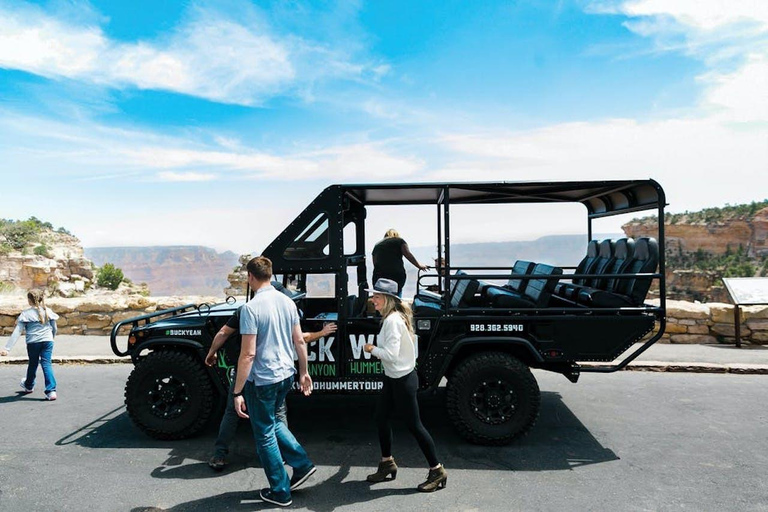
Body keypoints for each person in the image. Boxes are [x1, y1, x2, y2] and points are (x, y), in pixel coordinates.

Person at [205, 299, 336, 472]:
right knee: (277, 416)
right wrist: (321, 334)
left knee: (232, 412)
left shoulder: (246, 309)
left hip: (246, 371)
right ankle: (282, 456)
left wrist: (211, 352)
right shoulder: (284, 308)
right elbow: (301, 339)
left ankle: (219, 454)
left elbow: (223, 333)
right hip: (274, 372)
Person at [233, 257, 316, 508]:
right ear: (271, 275)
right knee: (275, 422)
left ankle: (280, 491)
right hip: (285, 375)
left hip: (263, 379)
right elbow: (299, 341)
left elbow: (248, 354)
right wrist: (304, 372)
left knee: (265, 434)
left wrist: (237, 391)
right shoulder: (287, 302)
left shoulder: (250, 309)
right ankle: (302, 464)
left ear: (250, 277)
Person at [363, 278, 447, 492]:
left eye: (377, 296)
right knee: (380, 418)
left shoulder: (392, 321)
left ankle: (437, 471)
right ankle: (387, 463)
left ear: (388, 299)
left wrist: (371, 349)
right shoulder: (394, 317)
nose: (373, 300)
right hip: (395, 377)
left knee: (415, 426)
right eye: (373, 296)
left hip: (401, 380)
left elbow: (390, 355)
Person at [0, 289, 60, 401]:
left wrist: (7, 349)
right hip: (48, 341)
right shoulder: (48, 311)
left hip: (33, 342)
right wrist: (51, 338)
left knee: (33, 364)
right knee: (47, 364)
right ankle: (51, 391)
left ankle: (29, 385)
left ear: (29, 300)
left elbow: (17, 332)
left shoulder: (26, 314)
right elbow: (54, 328)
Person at [371, 229, 428, 296]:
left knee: (381, 295)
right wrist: (419, 266)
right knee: (396, 296)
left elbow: (375, 262)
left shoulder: (377, 245)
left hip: (379, 276)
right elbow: (408, 254)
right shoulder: (399, 241)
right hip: (396, 275)